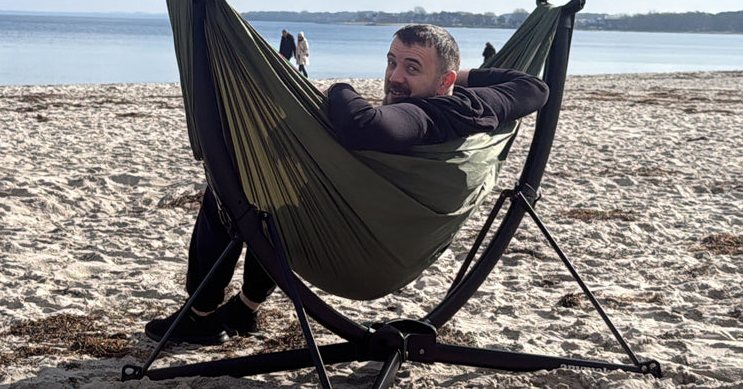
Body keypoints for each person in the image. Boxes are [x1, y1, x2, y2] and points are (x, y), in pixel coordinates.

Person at [145, 24, 548, 344]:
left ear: (443, 83)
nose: (394, 78)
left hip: (357, 255)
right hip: (391, 242)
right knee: (274, 192)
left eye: (412, 68)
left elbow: (362, 124)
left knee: (227, 193)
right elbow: (535, 87)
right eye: (392, 62)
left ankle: (199, 317)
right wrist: (458, 79)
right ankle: (246, 308)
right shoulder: (475, 109)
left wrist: (339, 88)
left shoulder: (422, 116)